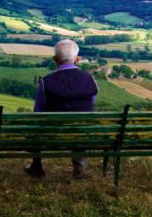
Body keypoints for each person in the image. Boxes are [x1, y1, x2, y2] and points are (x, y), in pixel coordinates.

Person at [24, 39, 98, 179]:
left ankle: (37, 167)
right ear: (77, 59)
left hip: (52, 135)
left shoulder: (46, 82)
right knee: (82, 123)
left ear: (55, 59)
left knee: (36, 125)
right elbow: (91, 104)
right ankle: (79, 170)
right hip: (82, 134)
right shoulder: (90, 80)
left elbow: (38, 112)